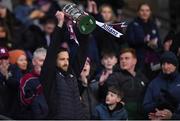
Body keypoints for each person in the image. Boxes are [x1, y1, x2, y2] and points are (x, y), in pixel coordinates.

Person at [40, 11, 89, 119]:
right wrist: (60, 23)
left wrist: (84, 25)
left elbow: (82, 51)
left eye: (67, 59)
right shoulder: (49, 75)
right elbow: (52, 49)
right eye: (62, 59)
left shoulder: (72, 72)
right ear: (54, 61)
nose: (66, 62)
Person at [105, 48, 148, 119]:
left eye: (127, 58)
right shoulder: (115, 77)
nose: (123, 61)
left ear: (134, 61)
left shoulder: (142, 77)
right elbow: (113, 97)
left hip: (142, 114)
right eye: (121, 59)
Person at [126, 3, 161, 80]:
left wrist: (154, 43)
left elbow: (159, 42)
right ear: (138, 12)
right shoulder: (132, 25)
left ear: (150, 12)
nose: (145, 13)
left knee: (153, 79)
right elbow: (130, 40)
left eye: (147, 10)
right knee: (139, 79)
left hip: (153, 59)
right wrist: (143, 40)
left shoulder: (153, 25)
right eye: (142, 10)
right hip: (139, 58)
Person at [143, 51, 180, 120]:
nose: (165, 67)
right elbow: (145, 107)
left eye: (169, 63)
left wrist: (172, 116)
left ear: (175, 65)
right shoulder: (154, 83)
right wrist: (157, 105)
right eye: (163, 64)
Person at [19, 47, 48, 119]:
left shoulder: (52, 77)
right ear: (34, 62)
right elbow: (25, 102)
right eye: (41, 60)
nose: (44, 64)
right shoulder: (26, 79)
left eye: (46, 61)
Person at [0, 47, 22, 119]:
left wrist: (6, 76)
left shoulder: (15, 68)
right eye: (0, 59)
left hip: (13, 111)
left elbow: (18, 84)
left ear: (9, 59)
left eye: (5, 58)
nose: (3, 61)